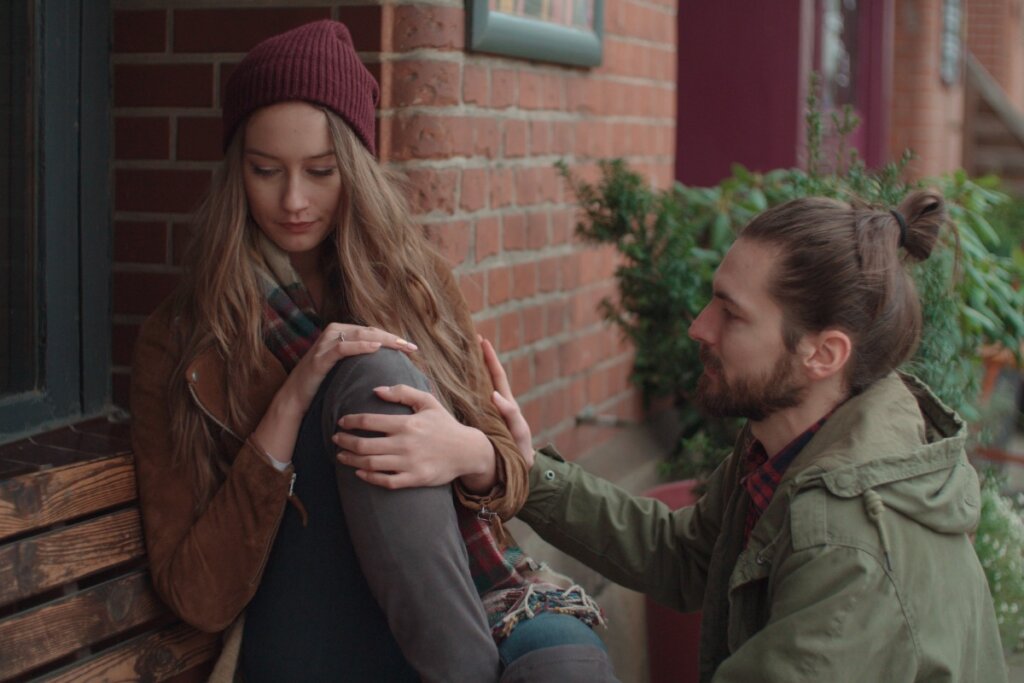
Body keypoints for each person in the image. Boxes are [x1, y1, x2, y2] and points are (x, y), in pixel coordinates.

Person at [338, 190, 1009, 681]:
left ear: (823, 354)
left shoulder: (849, 543)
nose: (698, 326)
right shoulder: (799, 449)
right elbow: (684, 554)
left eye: (731, 313)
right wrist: (506, 466)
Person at [129, 19, 611, 683]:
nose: (293, 200)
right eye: (265, 170)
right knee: (372, 372)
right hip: (306, 619)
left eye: (320, 171)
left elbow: (510, 475)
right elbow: (197, 593)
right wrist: (295, 396)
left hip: (462, 591)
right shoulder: (181, 340)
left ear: (354, 166)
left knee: (566, 669)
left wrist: (472, 452)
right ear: (236, 169)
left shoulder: (417, 284)